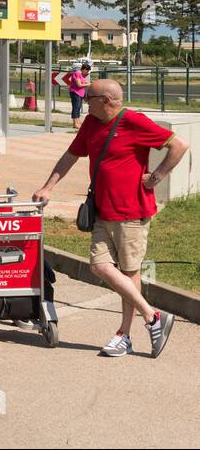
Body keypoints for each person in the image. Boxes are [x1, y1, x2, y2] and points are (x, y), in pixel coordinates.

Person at [32, 78, 189, 358]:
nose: (82, 102)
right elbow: (71, 155)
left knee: (129, 273)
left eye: (88, 97)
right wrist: (47, 186)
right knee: (100, 266)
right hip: (103, 210)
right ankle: (153, 316)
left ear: (105, 100)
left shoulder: (134, 122)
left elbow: (179, 145)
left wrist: (156, 177)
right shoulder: (92, 124)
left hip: (132, 212)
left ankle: (124, 334)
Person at [68, 62, 92, 129]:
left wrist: (86, 83)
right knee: (76, 108)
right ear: (84, 69)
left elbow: (82, 83)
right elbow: (79, 85)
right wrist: (88, 84)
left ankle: (77, 122)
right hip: (75, 92)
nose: (87, 72)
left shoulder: (81, 75)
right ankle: (75, 123)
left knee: (78, 108)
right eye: (87, 70)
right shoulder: (77, 73)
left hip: (80, 93)